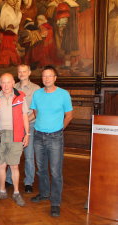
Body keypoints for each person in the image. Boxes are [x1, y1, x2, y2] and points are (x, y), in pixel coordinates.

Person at [30, 65, 73, 217]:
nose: (46, 78)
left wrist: (60, 129)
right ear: (42, 79)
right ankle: (44, 193)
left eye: (50, 76)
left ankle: (55, 202)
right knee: (41, 169)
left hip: (55, 137)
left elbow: (69, 115)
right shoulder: (37, 94)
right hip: (38, 136)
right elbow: (35, 112)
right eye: (44, 76)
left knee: (55, 171)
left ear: (55, 78)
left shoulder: (63, 94)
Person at [0, 73, 29, 207]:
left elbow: (25, 116)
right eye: (3, 83)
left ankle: (16, 192)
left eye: (8, 82)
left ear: (13, 83)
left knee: (14, 165)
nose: (6, 85)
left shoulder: (20, 96)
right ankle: (2, 190)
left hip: (16, 134)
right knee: (0, 164)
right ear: (0, 84)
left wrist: (27, 133)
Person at [5, 65, 40, 193]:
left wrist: (24, 122)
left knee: (29, 155)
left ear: (29, 73)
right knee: (12, 152)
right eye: (19, 71)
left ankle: (28, 182)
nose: (22, 73)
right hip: (14, 125)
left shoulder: (36, 89)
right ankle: (9, 179)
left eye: (24, 71)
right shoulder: (12, 87)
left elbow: (37, 111)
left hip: (29, 125)